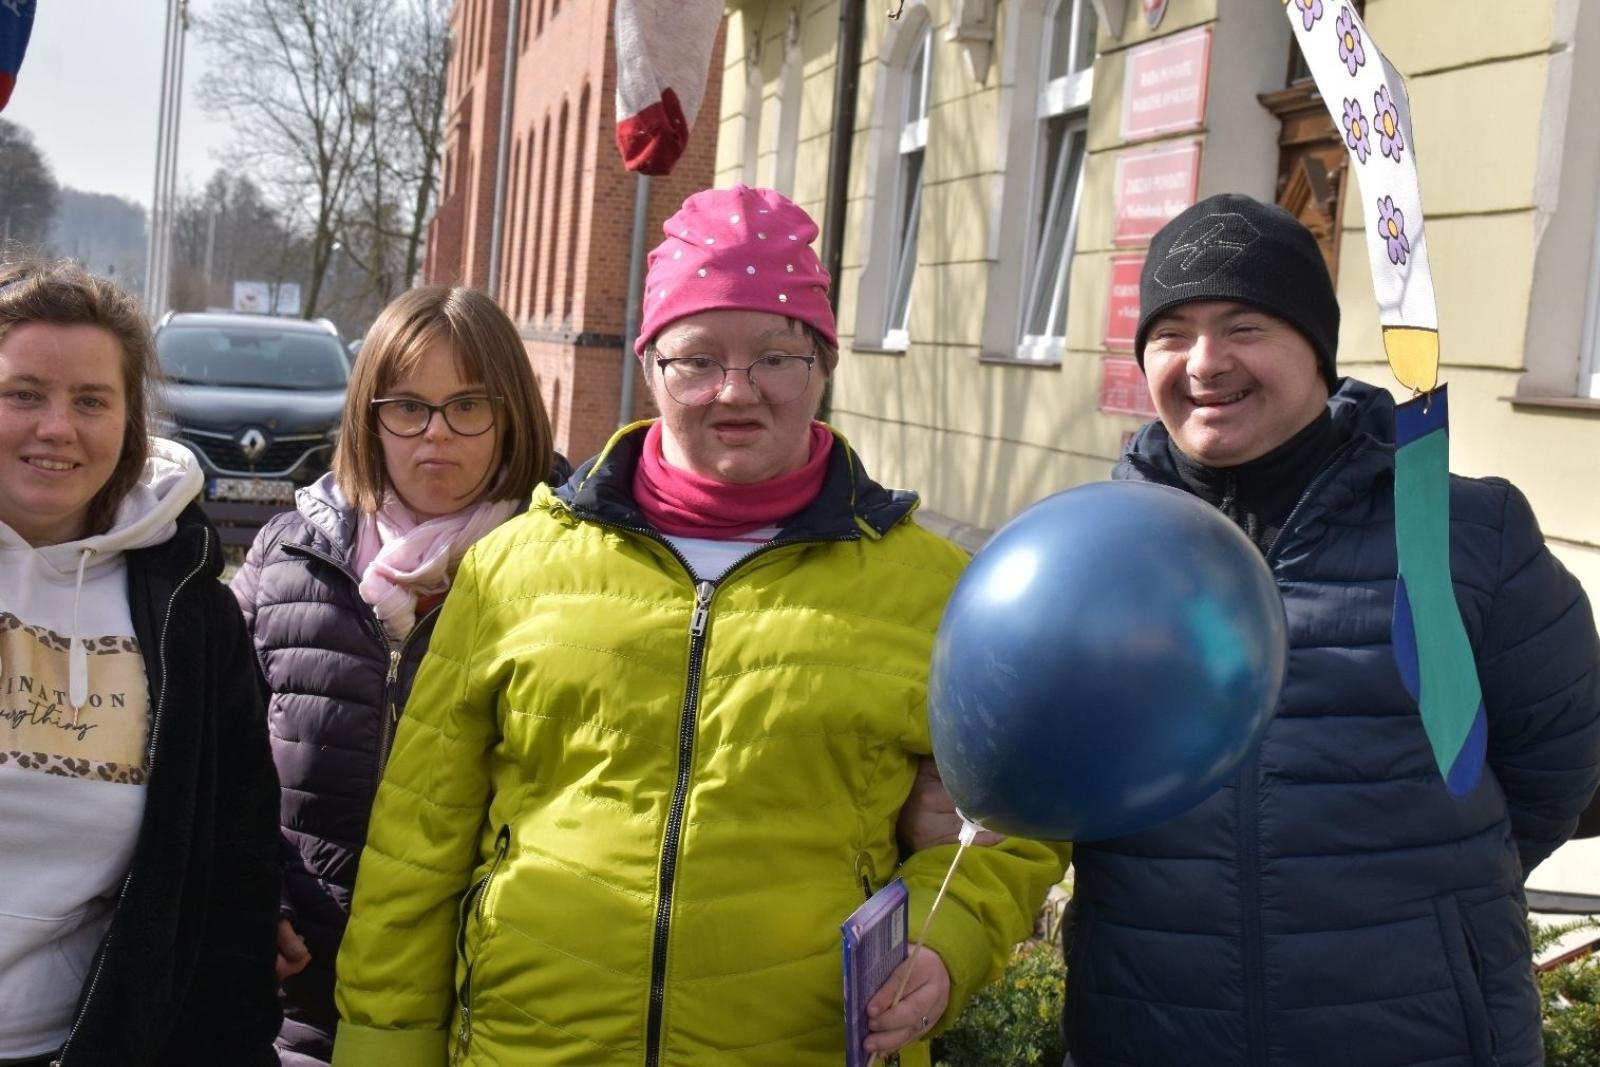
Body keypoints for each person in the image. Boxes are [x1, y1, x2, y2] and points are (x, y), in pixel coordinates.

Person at [330, 185, 1068, 1066]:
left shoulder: (936, 590)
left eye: (776, 357)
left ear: (823, 366)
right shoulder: (512, 569)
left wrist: (946, 944)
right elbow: (415, 851)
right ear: (650, 365)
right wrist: (382, 1049)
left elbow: (1014, 821)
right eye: (696, 358)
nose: (735, 392)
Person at [1060, 193, 1600, 1067]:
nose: (1205, 362)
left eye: (1245, 326)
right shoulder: (1093, 551)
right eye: (1173, 332)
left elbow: (1560, 767)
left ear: (1317, 346)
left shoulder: (1467, 535)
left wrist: (1436, 914)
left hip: (1418, 1034)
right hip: (1154, 1024)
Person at [230, 285, 563, 1066]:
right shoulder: (290, 559)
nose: (436, 435)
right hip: (299, 1003)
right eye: (407, 406)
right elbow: (214, 760)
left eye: (467, 405)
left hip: (489, 1010)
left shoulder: (574, 576)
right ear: (368, 416)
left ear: (511, 410)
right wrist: (257, 895)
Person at [0, 259, 280, 1065]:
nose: (58, 426)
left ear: (130, 420)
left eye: (91, 401)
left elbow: (232, 858)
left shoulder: (186, 606)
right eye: (24, 393)